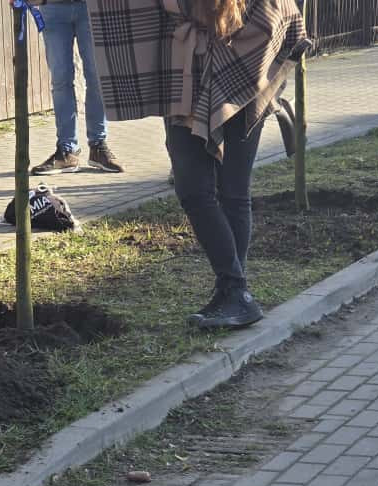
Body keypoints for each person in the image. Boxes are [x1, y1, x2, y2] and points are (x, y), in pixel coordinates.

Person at [87, 0, 309, 329]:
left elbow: (283, 16)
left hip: (244, 81)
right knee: (192, 188)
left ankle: (233, 290)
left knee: (233, 190)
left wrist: (242, 67)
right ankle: (235, 290)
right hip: (186, 78)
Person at [30, 0, 124, 175]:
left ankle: (98, 146)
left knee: (97, 79)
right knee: (60, 81)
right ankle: (67, 151)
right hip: (52, 8)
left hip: (91, 8)